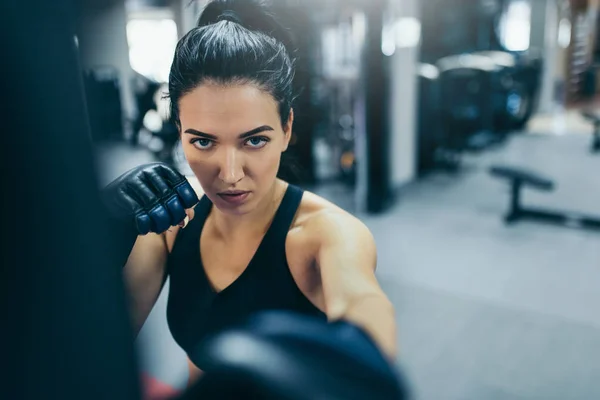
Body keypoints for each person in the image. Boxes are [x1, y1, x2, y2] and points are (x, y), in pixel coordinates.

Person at [104, 0, 397, 389]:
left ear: (287, 128)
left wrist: (363, 360)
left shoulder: (326, 234)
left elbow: (364, 309)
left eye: (255, 140)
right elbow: (92, 349)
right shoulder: (173, 224)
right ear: (179, 129)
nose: (229, 175)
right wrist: (93, 239)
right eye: (203, 142)